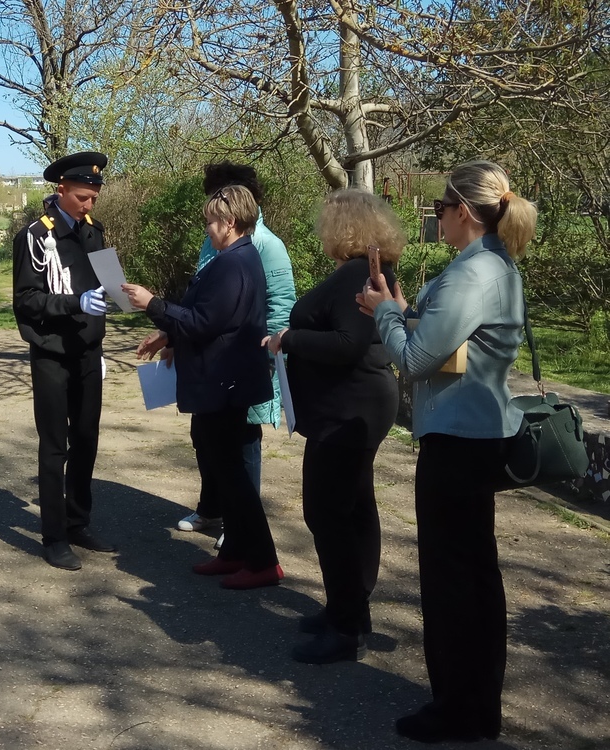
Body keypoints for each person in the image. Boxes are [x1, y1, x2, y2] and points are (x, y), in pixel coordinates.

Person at [361, 161, 536, 743]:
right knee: (476, 575)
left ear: (463, 211)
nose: (435, 217)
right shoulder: (493, 266)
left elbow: (412, 362)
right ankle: (477, 703)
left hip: (458, 441)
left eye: (439, 207)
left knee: (451, 579)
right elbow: (442, 338)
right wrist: (407, 310)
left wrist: (384, 313)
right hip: (476, 436)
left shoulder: (472, 273)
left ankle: (457, 707)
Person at [267, 188, 403, 664]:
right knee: (355, 507)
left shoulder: (355, 273)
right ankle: (351, 609)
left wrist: (290, 338)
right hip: (356, 404)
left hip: (349, 409)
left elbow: (347, 343)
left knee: (327, 514)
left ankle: (346, 627)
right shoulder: (367, 270)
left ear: (343, 226)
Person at [126, 185, 281, 589]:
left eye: (211, 221)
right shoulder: (236, 258)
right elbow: (210, 319)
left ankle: (263, 561)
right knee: (225, 473)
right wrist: (169, 336)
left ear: (230, 223)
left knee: (233, 476)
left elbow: (204, 321)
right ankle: (234, 554)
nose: (208, 229)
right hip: (223, 381)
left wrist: (153, 304)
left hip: (223, 384)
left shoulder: (233, 263)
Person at [172, 163, 296, 547]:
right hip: (211, 364)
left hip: (245, 362)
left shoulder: (266, 245)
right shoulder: (213, 241)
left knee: (243, 443)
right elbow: (202, 298)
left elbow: (281, 305)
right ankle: (212, 507)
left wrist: (271, 360)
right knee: (204, 436)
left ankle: (240, 523)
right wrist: (176, 337)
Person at [12, 151, 114, 571]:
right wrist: (75, 303)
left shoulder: (95, 230)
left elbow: (109, 279)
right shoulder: (36, 237)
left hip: (88, 349)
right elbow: (27, 300)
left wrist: (121, 295)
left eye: (93, 198)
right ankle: (54, 536)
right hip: (53, 352)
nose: (89, 205)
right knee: (55, 446)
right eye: (82, 198)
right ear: (61, 191)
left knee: (87, 438)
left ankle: (78, 520)